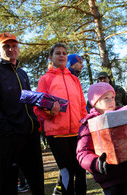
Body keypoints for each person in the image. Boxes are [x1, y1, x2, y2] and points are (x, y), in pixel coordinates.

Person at [34, 43, 87, 195]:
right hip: (57, 135)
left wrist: (85, 127)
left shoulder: (75, 80)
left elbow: (82, 106)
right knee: (67, 173)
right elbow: (37, 108)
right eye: (58, 53)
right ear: (51, 57)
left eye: (64, 53)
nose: (62, 55)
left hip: (77, 133)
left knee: (81, 173)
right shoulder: (45, 79)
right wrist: (50, 111)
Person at [0, 32, 44, 194]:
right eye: (6, 46)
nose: (11, 49)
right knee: (8, 184)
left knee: (37, 181)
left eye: (14, 46)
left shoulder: (22, 73)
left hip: (30, 134)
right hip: (9, 136)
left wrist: (36, 122)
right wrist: (5, 130)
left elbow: (28, 100)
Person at [76, 82, 127, 195]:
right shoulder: (89, 125)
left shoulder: (124, 116)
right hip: (109, 177)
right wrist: (95, 163)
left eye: (112, 97)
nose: (111, 101)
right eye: (106, 98)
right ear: (95, 102)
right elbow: (82, 152)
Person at [53, 53, 86, 195]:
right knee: (68, 168)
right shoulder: (58, 79)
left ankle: (58, 189)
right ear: (71, 64)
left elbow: (81, 104)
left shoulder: (75, 80)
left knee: (77, 168)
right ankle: (59, 189)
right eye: (79, 62)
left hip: (77, 128)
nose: (82, 65)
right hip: (61, 132)